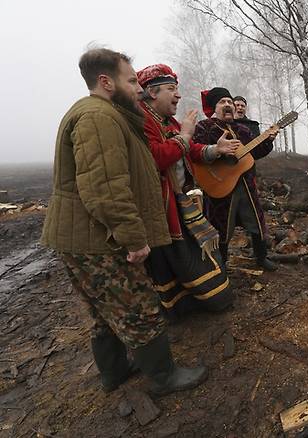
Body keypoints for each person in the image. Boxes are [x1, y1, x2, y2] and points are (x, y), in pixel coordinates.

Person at [40, 48, 207, 396]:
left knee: (103, 311)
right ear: (106, 81)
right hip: (99, 240)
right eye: (131, 80)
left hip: (81, 238)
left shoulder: (103, 114)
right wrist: (133, 238)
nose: (139, 89)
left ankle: (114, 371)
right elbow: (106, 188)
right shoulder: (98, 118)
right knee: (139, 307)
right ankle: (164, 376)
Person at [136, 64, 234, 317]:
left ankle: (202, 299)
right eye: (172, 89)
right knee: (174, 258)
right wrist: (187, 134)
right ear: (152, 92)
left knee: (188, 254)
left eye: (177, 89)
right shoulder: (141, 121)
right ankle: (183, 306)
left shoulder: (168, 121)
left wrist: (216, 150)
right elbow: (157, 158)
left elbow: (189, 150)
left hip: (180, 201)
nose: (178, 95)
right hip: (161, 207)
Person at [193, 87, 279, 271]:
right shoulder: (204, 127)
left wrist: (268, 140)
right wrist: (217, 150)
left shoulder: (242, 129)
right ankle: (220, 263)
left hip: (246, 185)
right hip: (219, 185)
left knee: (256, 221)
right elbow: (195, 153)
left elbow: (255, 153)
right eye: (222, 102)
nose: (228, 105)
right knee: (221, 227)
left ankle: (261, 257)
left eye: (229, 102)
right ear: (214, 108)